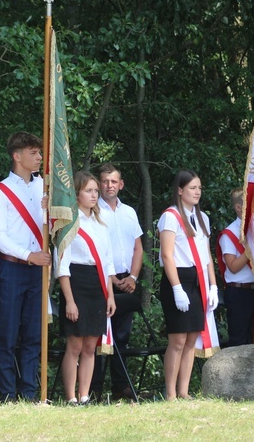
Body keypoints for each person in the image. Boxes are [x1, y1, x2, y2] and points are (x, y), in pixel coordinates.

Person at [0, 132, 51, 402]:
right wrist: (29, 255)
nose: (39, 157)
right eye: (33, 152)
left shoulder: (45, 188)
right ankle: (6, 394)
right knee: (9, 332)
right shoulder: (0, 191)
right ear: (17, 156)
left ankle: (29, 392)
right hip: (12, 268)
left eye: (39, 152)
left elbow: (52, 227)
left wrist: (52, 210)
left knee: (34, 334)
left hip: (38, 270)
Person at [157, 170, 218, 401]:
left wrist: (213, 285)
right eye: (192, 188)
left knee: (192, 338)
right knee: (178, 339)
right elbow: (167, 254)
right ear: (180, 190)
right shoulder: (170, 216)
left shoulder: (203, 218)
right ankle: (171, 393)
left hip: (199, 280)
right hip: (178, 279)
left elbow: (207, 256)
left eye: (199, 188)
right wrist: (176, 288)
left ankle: (184, 391)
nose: (197, 192)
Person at [58, 171, 117, 405]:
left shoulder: (101, 224)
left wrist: (110, 296)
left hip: (98, 284)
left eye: (95, 190)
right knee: (75, 343)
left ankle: (85, 395)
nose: (94, 195)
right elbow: (62, 266)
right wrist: (69, 300)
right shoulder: (69, 224)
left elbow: (108, 263)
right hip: (76, 282)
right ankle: (71, 397)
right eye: (88, 191)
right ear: (77, 194)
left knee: (91, 345)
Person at [90, 164, 143, 401]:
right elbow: (95, 248)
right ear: (99, 184)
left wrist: (132, 276)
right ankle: (94, 387)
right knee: (98, 336)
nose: (109, 186)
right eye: (104, 181)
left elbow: (138, 247)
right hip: (102, 278)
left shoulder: (129, 212)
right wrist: (109, 278)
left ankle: (121, 386)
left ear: (121, 184)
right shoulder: (93, 211)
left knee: (122, 336)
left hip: (127, 278)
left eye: (113, 181)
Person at [218, 188, 254, 347]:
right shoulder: (229, 234)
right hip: (238, 292)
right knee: (239, 342)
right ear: (238, 207)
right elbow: (233, 267)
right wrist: (250, 249)